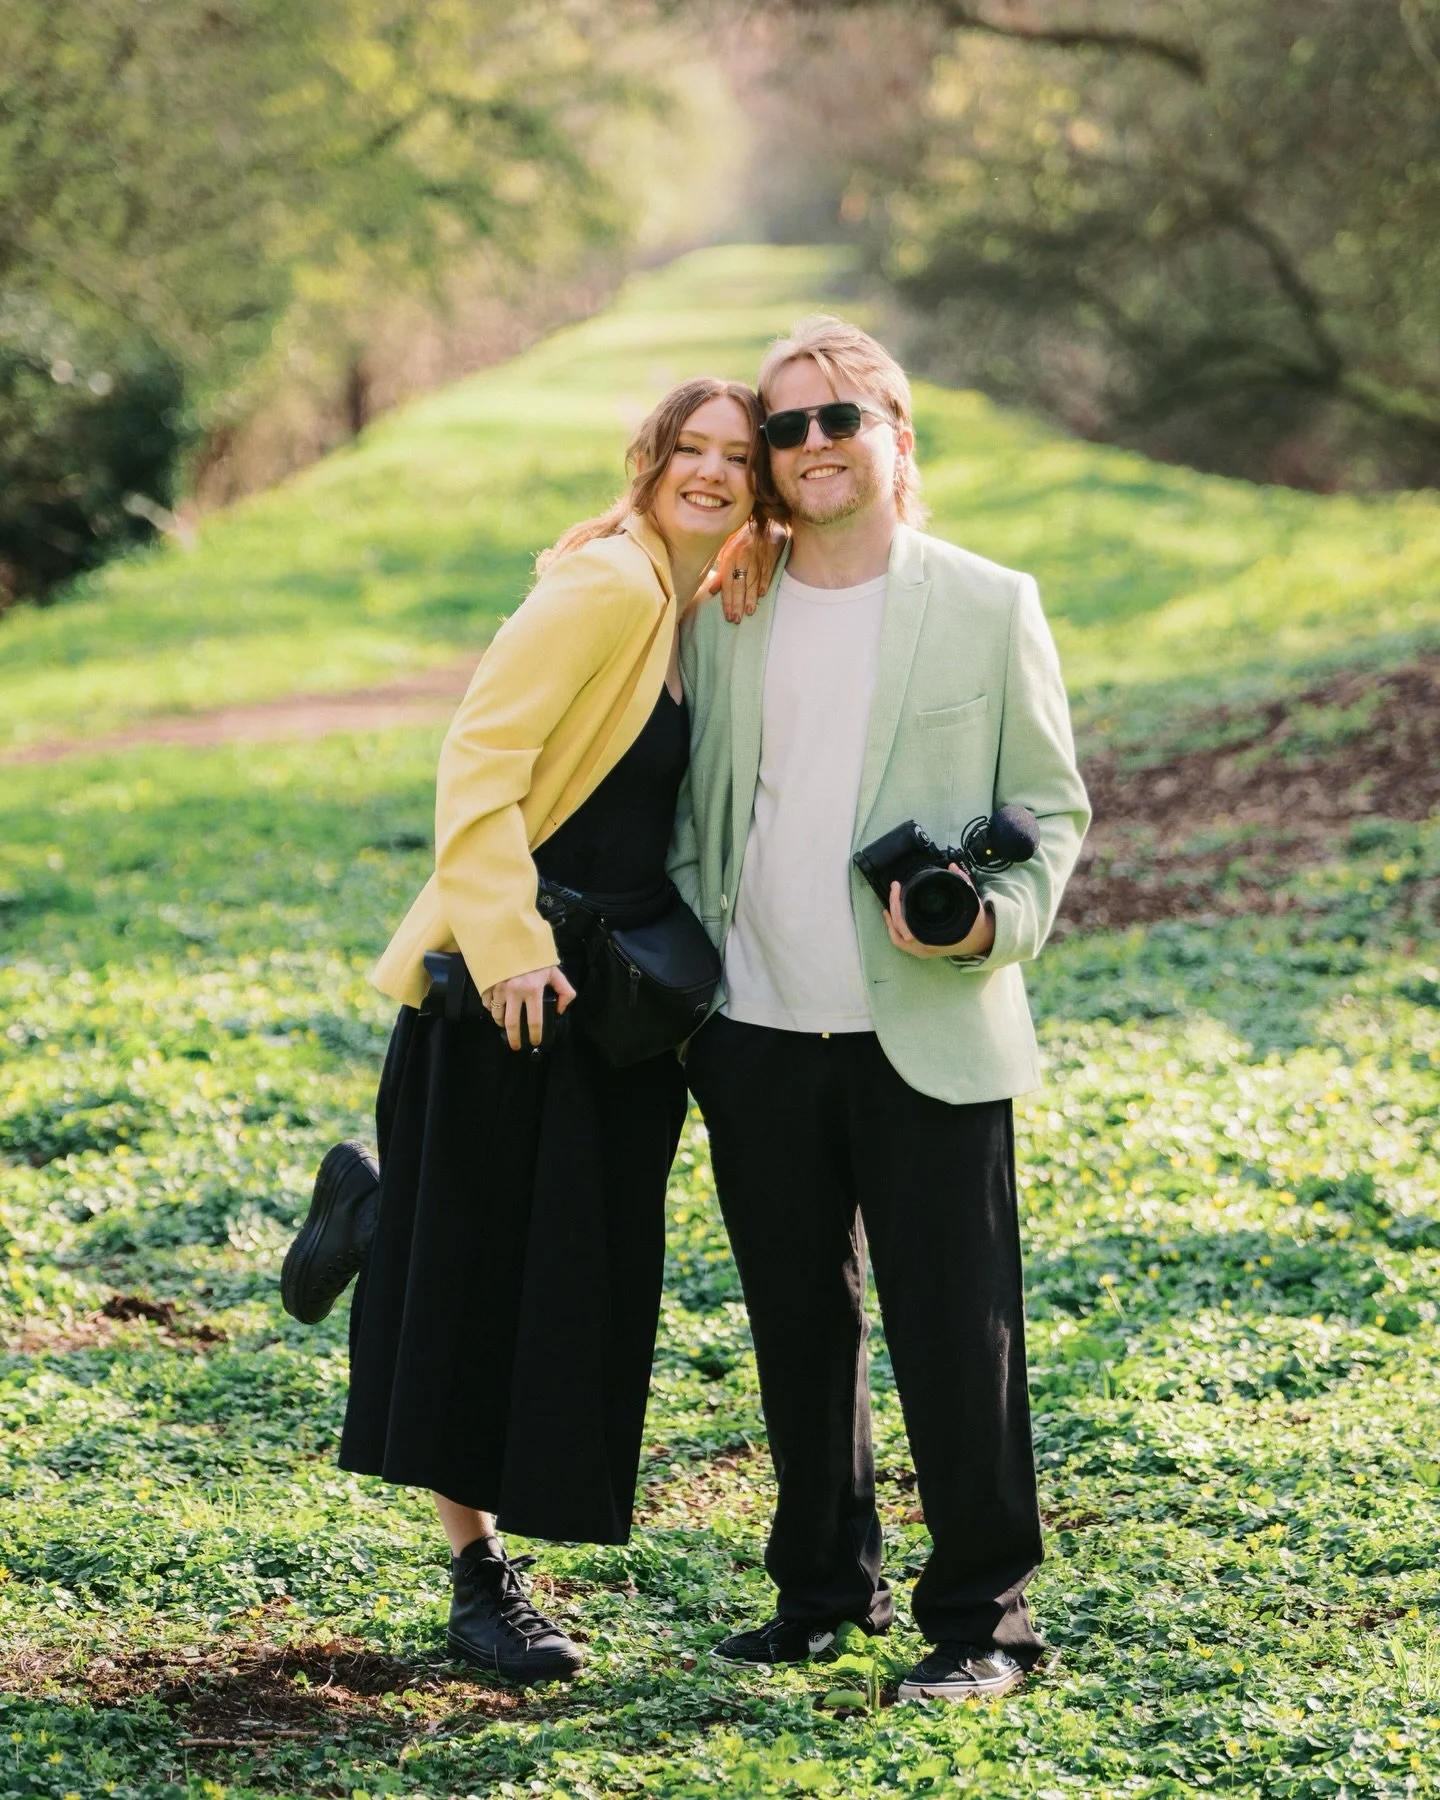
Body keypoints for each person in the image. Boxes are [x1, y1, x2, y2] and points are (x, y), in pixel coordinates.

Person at [280, 377, 763, 1683]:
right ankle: (478, 1581)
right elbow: (475, 761)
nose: (712, 473)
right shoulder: (606, 587)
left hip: (609, 1001)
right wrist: (505, 948)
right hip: (520, 986)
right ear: (651, 459)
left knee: (558, 1266)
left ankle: (383, 1219)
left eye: (738, 458)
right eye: (692, 451)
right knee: (489, 1288)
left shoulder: (682, 594)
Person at [671, 317, 1090, 1702]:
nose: (808, 448)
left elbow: (1060, 808)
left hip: (931, 1026)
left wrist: (988, 919)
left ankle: (984, 1625)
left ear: (897, 436)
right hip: (759, 1030)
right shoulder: (728, 609)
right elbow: (698, 811)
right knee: (799, 1327)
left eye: (835, 419)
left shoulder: (989, 600)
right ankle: (819, 1591)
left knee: (956, 1330)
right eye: (783, 429)